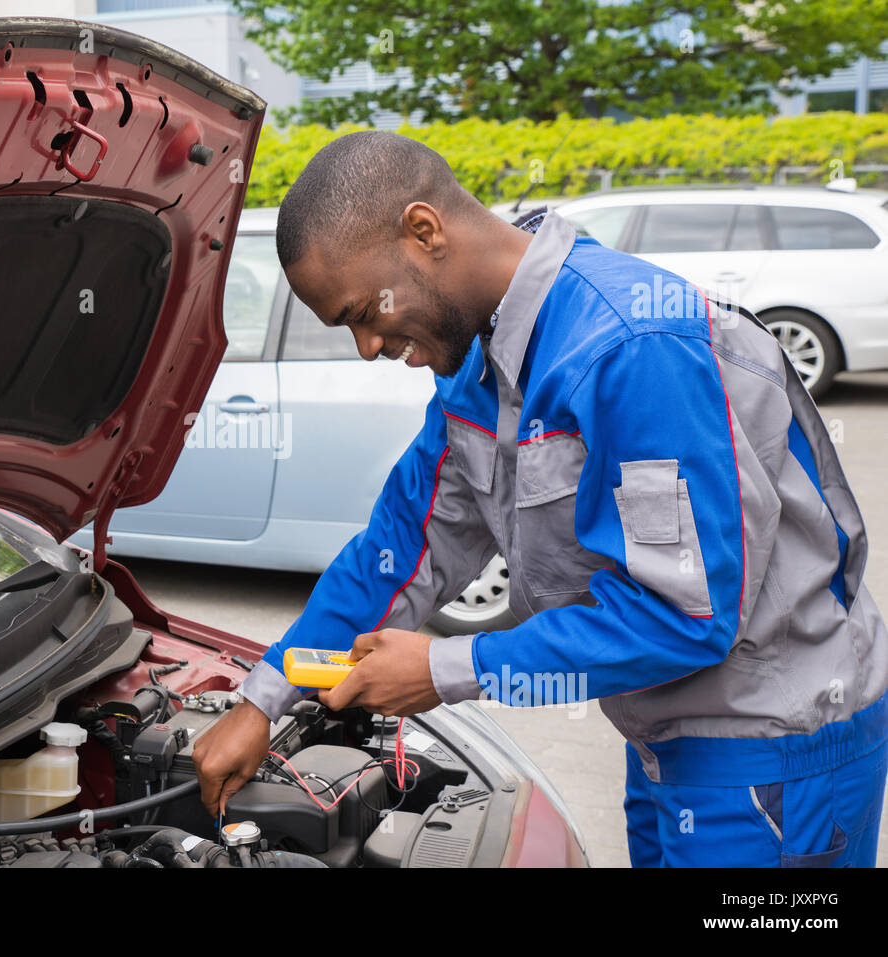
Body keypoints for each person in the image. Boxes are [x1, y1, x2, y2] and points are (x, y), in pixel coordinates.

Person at [192, 130, 888, 867]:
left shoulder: (630, 347)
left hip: (772, 758)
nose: (367, 346)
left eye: (365, 311)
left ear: (424, 231)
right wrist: (262, 696)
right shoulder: (477, 371)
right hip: (664, 739)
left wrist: (444, 667)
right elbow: (396, 555)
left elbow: (687, 617)